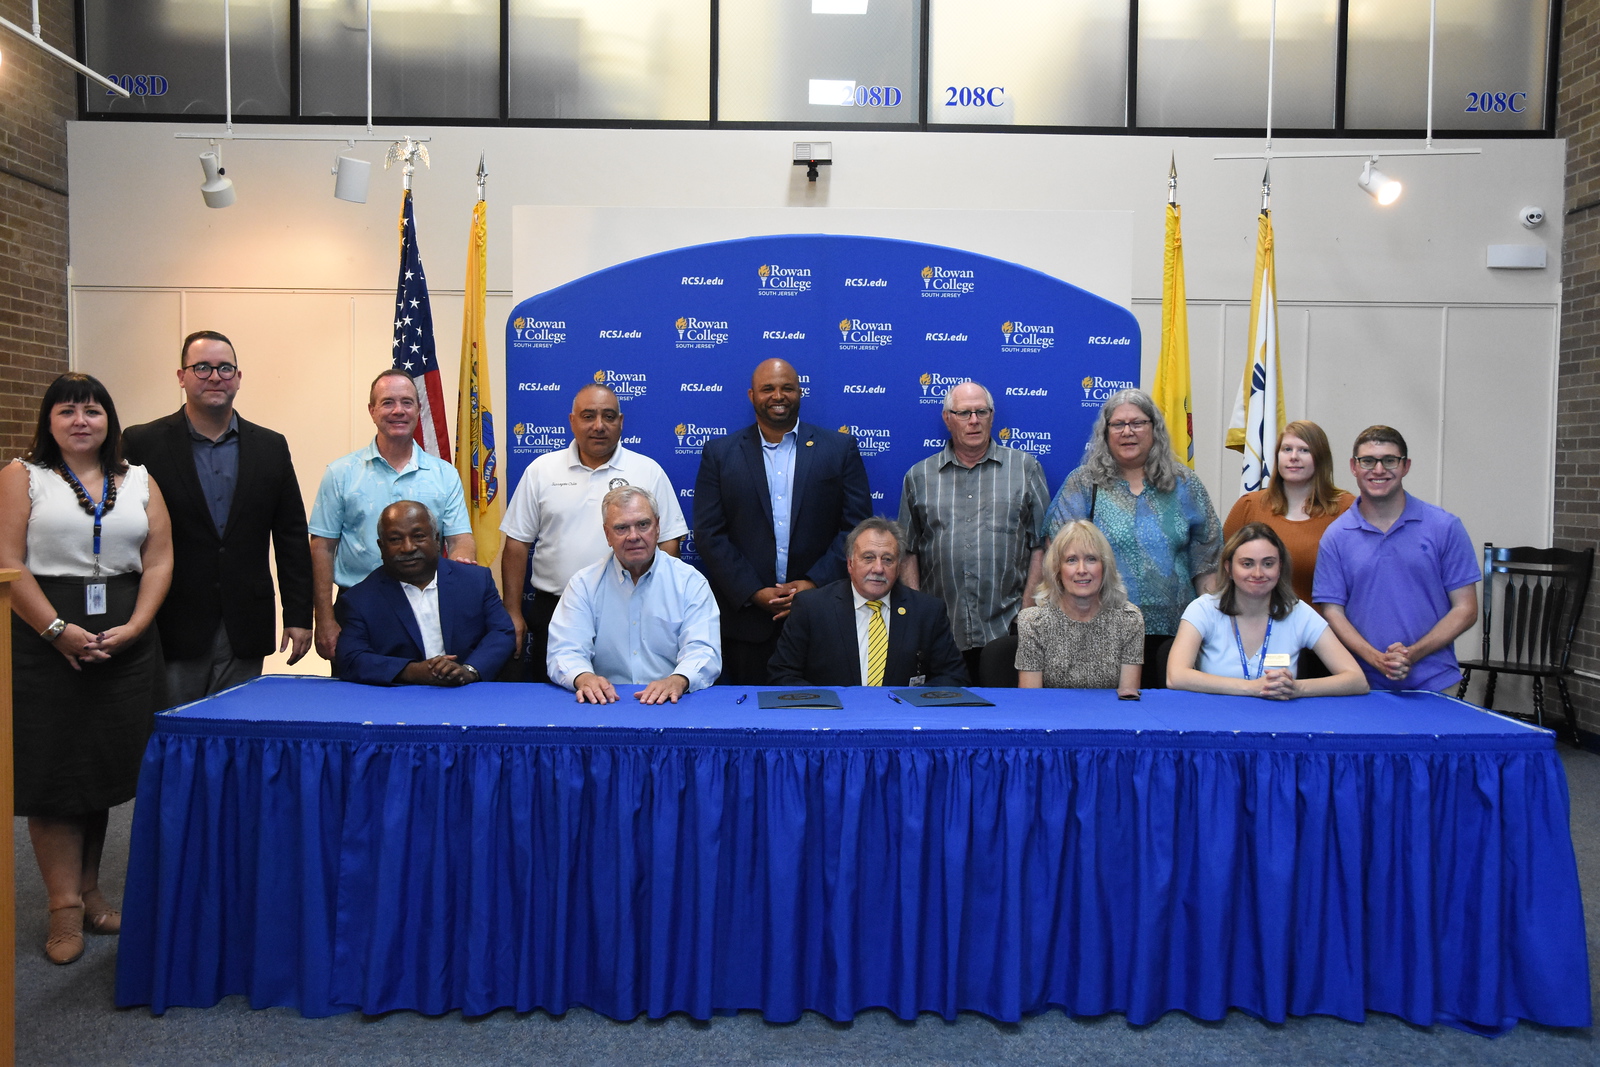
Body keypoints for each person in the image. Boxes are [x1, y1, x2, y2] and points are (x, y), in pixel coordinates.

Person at [0, 373, 173, 965]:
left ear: (109, 421)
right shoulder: (23, 477)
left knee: (100, 771)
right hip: (42, 641)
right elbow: (7, 561)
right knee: (54, 774)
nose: (81, 421)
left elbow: (158, 560)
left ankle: (94, 893)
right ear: (48, 421)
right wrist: (56, 630)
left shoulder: (140, 480)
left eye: (93, 411)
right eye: (67, 411)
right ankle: (63, 909)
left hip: (123, 641)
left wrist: (138, 625)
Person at [122, 330, 313, 703]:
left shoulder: (270, 446)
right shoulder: (143, 443)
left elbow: (291, 536)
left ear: (238, 378)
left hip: (246, 622)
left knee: (234, 738)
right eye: (202, 367)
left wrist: (299, 615)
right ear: (182, 376)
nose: (215, 376)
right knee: (174, 733)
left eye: (225, 368)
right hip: (172, 621)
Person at [693, 358, 871, 684]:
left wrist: (813, 584)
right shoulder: (719, 454)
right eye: (768, 388)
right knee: (747, 721)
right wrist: (753, 591)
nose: (778, 395)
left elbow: (857, 528)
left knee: (823, 717)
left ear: (799, 392)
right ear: (751, 395)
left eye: (787, 387)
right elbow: (709, 534)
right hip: (746, 624)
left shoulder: (839, 449)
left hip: (823, 616)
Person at [499, 383, 686, 681]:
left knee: (629, 696)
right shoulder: (541, 470)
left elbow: (669, 542)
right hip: (555, 609)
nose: (599, 426)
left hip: (632, 609)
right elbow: (517, 544)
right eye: (588, 416)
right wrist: (512, 610)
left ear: (621, 423)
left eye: (608, 416)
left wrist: (650, 598)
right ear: (572, 421)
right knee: (559, 701)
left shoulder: (648, 471)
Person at [1044, 388, 1222, 688]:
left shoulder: (1185, 484)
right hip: (1102, 633)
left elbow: (1207, 566)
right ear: (1105, 432)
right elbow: (1057, 558)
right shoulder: (1084, 484)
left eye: (1138, 423)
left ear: (1155, 429)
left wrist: (1216, 627)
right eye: (1118, 424)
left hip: (1177, 636)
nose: (1128, 432)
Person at [309, 369, 475, 662]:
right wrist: (323, 619)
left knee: (430, 697)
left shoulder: (444, 474)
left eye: (407, 402)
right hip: (357, 609)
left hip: (429, 607)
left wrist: (462, 563)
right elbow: (322, 548)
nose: (398, 410)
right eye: (387, 403)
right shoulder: (340, 473)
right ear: (372, 411)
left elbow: (461, 539)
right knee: (357, 700)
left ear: (418, 409)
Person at [898, 380, 1051, 680]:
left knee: (1007, 721)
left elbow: (1043, 544)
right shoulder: (918, 476)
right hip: (940, 632)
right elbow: (907, 551)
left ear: (992, 416)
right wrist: (918, 616)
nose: (974, 421)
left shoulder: (1025, 468)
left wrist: (1028, 610)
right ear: (947, 418)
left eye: (981, 412)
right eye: (964, 413)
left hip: (1008, 631)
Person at [1313, 426, 1481, 692]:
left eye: (1390, 460)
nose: (1378, 470)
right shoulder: (1336, 536)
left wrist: (1412, 654)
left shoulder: (1444, 526)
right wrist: (1377, 659)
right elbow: (1332, 611)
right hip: (1360, 685)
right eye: (1368, 460)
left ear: (1406, 466)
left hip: (1435, 683)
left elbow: (1466, 609)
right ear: (1353, 467)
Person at [547, 486, 721, 704]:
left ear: (657, 527)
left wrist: (679, 679)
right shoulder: (584, 584)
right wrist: (583, 677)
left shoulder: (689, 583)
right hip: (605, 702)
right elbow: (564, 650)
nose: (633, 536)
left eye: (643, 525)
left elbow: (704, 650)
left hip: (672, 703)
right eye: (621, 528)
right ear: (607, 535)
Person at [1168, 523, 1369, 699]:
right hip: (1217, 720)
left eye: (1268, 564)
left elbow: (1357, 680)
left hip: (1279, 723)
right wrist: (1250, 688)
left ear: (1280, 567)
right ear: (1229, 568)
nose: (1258, 573)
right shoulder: (1203, 609)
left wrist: (1297, 688)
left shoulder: (1298, 612)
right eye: (1247, 564)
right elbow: (1175, 677)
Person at [768, 517, 968, 688]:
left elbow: (953, 678)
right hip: (831, 723)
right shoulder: (811, 607)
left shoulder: (927, 612)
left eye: (888, 559)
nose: (878, 568)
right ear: (850, 563)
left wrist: (907, 703)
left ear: (899, 567)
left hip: (902, 724)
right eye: (868, 558)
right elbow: (782, 676)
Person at [335, 501, 515, 685]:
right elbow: (351, 658)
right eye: (395, 539)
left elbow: (502, 632)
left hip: (469, 694)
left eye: (418, 536)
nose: (408, 547)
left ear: (437, 540)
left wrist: (469, 671)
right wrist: (413, 671)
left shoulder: (475, 581)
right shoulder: (359, 599)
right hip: (399, 700)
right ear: (381, 547)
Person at [1221, 419, 1353, 610]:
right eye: (1286, 449)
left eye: (1304, 450)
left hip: (1324, 631)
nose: (1293, 457)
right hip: (1256, 627)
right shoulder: (1249, 506)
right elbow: (1223, 570)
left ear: (1321, 457)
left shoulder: (1346, 509)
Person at [1014, 520, 1143, 696]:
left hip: (1110, 719)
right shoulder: (1033, 622)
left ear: (1104, 568)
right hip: (1053, 719)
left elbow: (1128, 699)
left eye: (1091, 559)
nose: (1081, 570)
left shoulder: (1129, 620)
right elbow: (1032, 702)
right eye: (1071, 560)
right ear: (1057, 570)